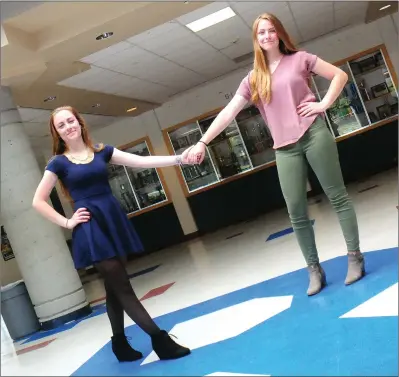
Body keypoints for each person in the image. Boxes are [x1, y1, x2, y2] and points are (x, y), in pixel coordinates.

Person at [186, 13, 365, 296]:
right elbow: (229, 112)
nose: (267, 36)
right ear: (255, 40)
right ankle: (314, 269)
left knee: (337, 197)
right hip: (285, 148)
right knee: (296, 211)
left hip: (314, 134)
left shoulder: (300, 59)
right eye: (261, 33)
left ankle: (355, 257)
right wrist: (203, 142)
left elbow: (339, 75)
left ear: (279, 33)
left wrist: (324, 104)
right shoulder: (253, 79)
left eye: (271, 30)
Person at [32, 105, 194, 362]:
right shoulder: (58, 163)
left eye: (70, 121)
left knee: (113, 288)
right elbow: (38, 200)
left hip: (112, 221)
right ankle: (159, 339)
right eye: (61, 125)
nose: (68, 127)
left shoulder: (101, 151)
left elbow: (140, 161)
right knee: (123, 287)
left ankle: (119, 343)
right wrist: (67, 222)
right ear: (57, 133)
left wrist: (178, 158)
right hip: (90, 228)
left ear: (80, 122)